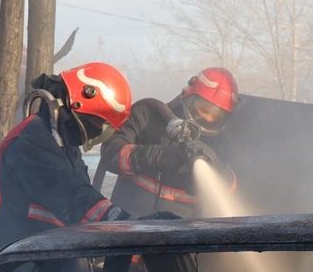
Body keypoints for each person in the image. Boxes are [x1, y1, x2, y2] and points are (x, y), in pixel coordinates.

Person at [0, 61, 133, 272]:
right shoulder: (30, 145)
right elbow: (76, 200)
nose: (97, 135)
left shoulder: (60, 144)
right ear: (79, 104)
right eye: (99, 125)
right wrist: (126, 226)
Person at [100, 67, 239, 219]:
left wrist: (215, 166)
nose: (207, 119)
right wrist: (157, 156)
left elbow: (231, 187)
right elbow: (110, 153)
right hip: (128, 225)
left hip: (184, 235)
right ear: (188, 97)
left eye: (216, 115)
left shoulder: (223, 142)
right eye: (203, 109)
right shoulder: (148, 114)